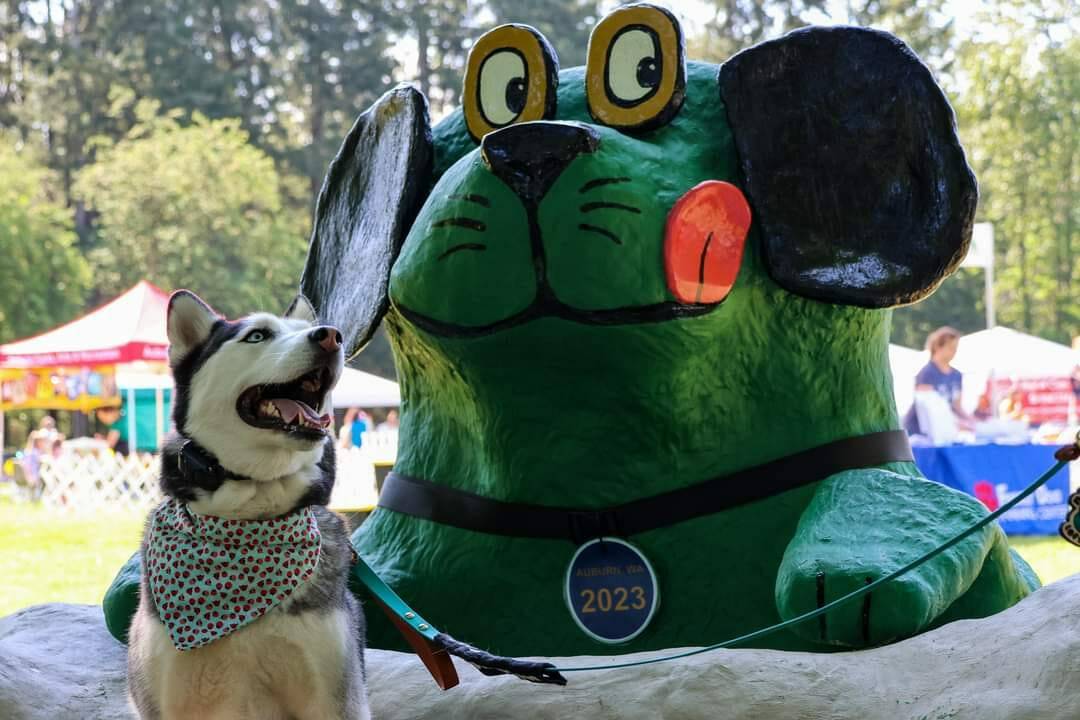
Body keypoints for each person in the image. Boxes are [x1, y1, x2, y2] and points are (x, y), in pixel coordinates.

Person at [903, 326, 973, 436]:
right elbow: (926, 408)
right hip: (920, 432)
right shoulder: (926, 373)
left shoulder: (957, 375)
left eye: (956, 347)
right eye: (950, 347)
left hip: (943, 431)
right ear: (937, 346)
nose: (954, 351)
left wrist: (971, 422)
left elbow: (957, 406)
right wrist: (954, 423)